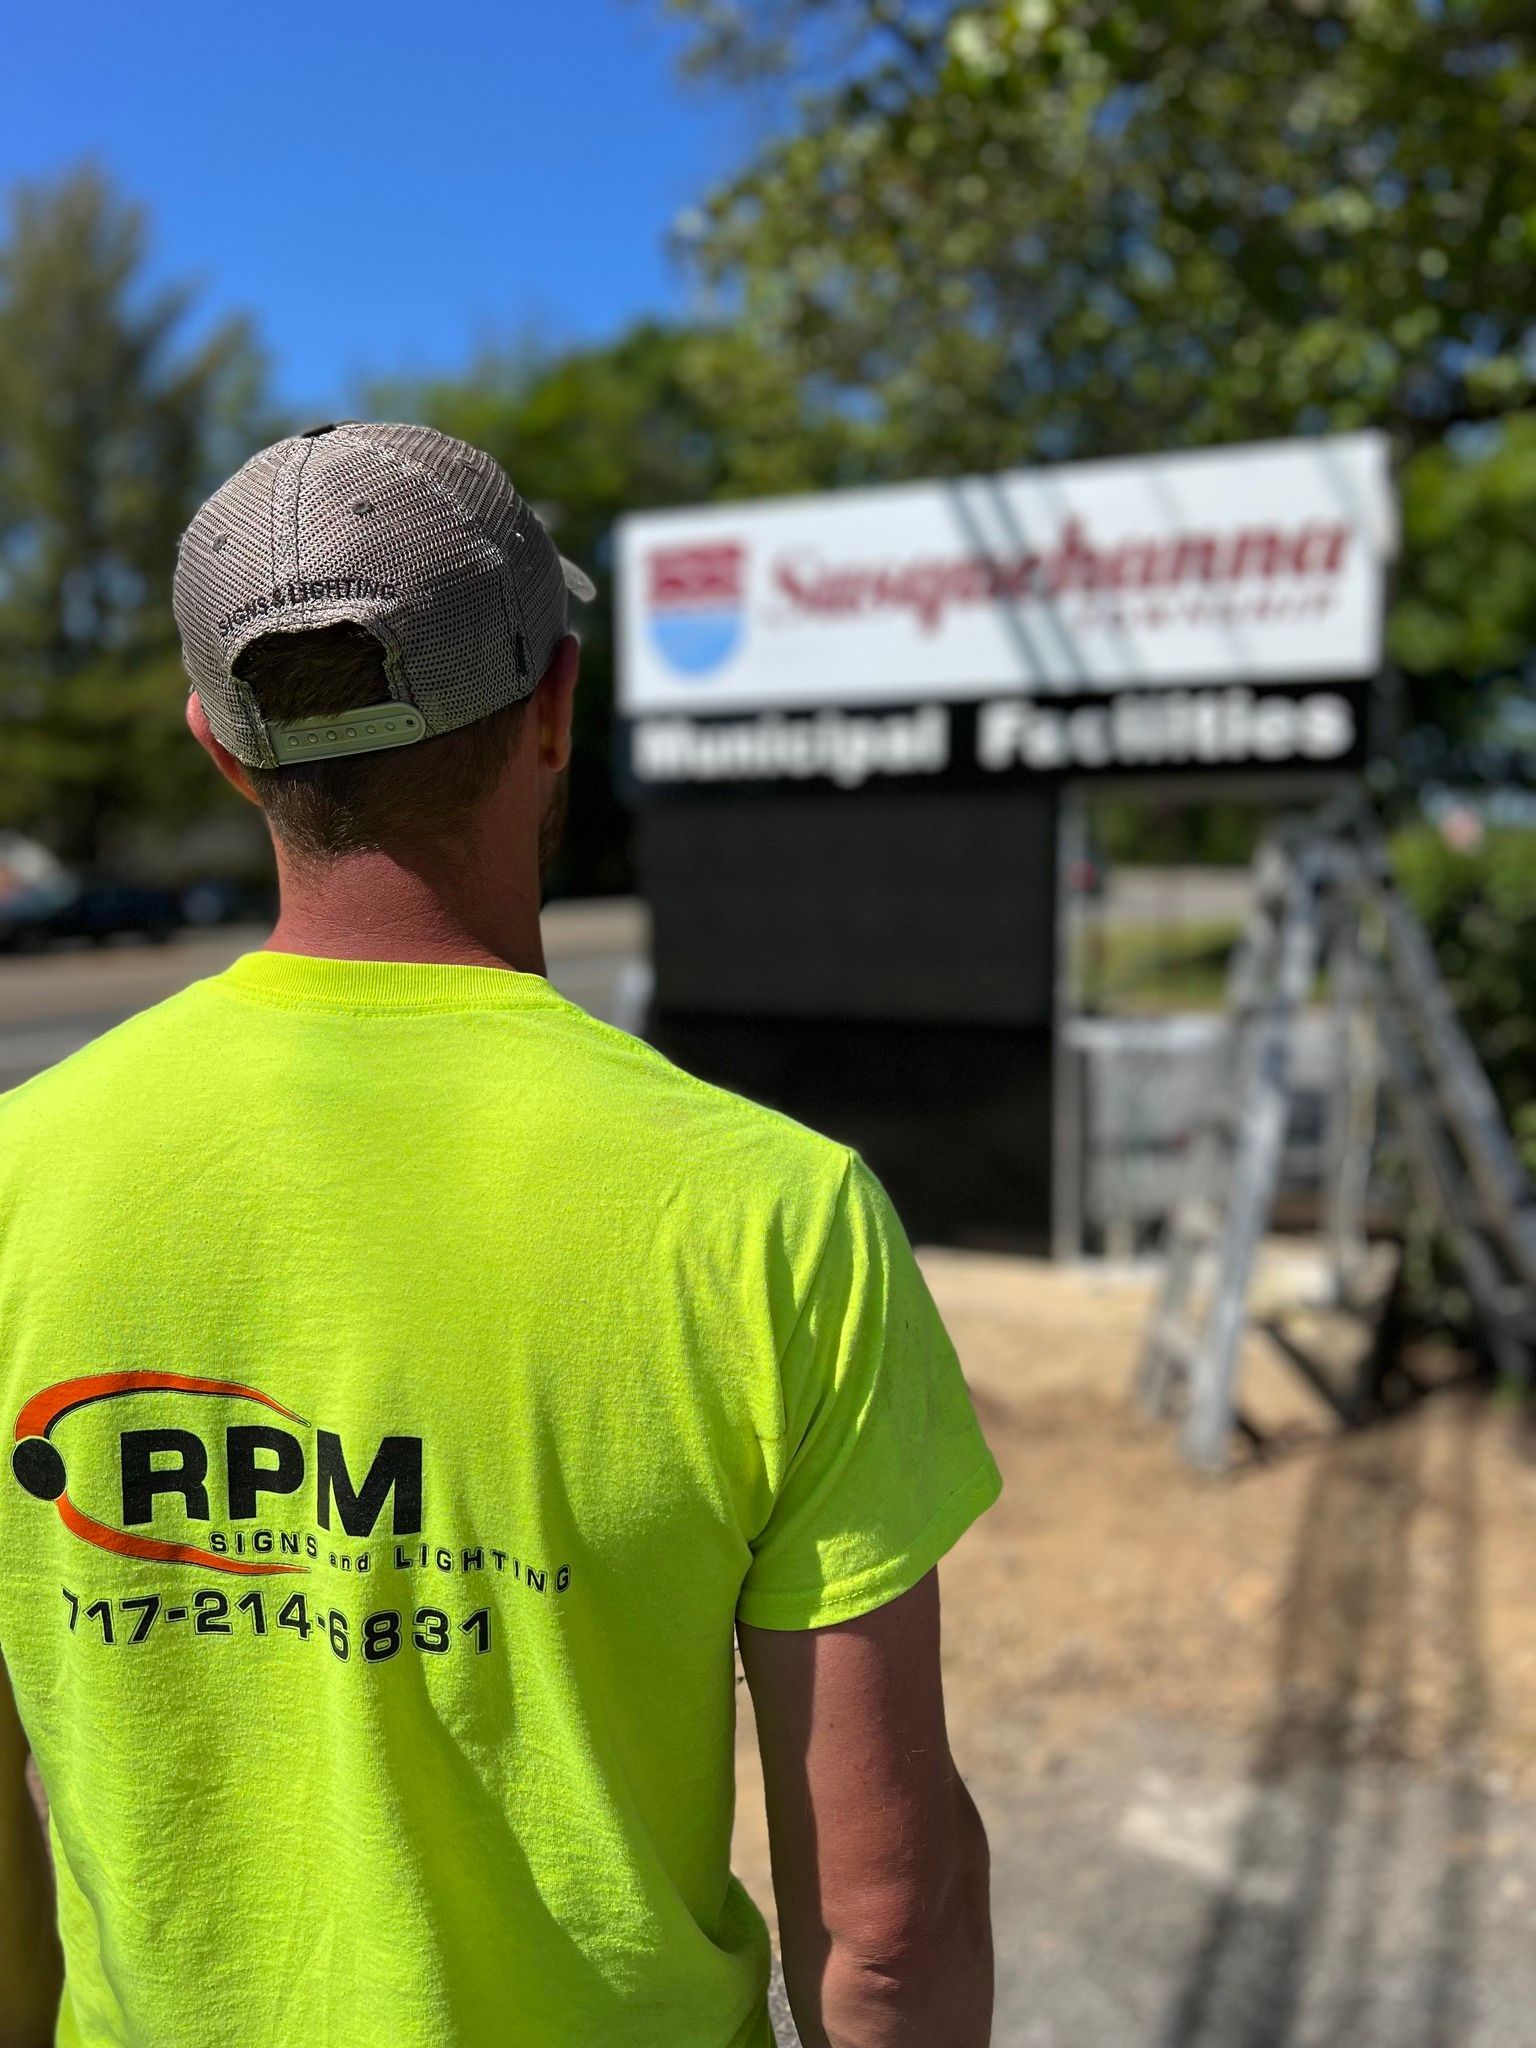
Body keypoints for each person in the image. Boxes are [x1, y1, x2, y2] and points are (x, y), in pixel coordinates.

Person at [0, 422, 1000, 2048]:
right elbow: (884, 1927)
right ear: (554, 706)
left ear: (221, 747)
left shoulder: (15, 1180)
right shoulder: (774, 1217)